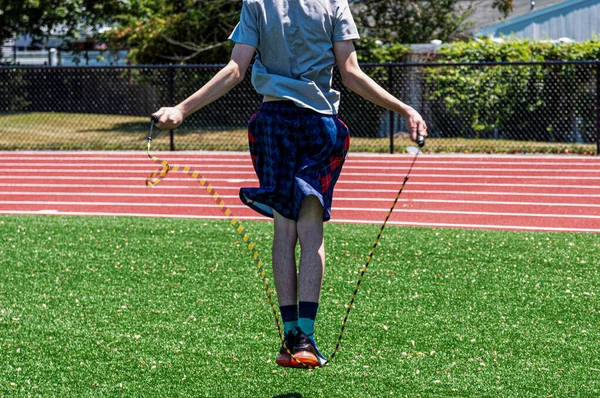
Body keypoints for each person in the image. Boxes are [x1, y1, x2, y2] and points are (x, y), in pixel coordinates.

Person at [152, 0, 427, 368]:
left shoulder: (258, 3)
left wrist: (181, 109)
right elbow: (351, 74)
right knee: (310, 231)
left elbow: (235, 69)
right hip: (320, 124)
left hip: (274, 122)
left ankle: (290, 336)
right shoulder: (334, 4)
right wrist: (405, 109)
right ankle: (307, 340)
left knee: (285, 230)